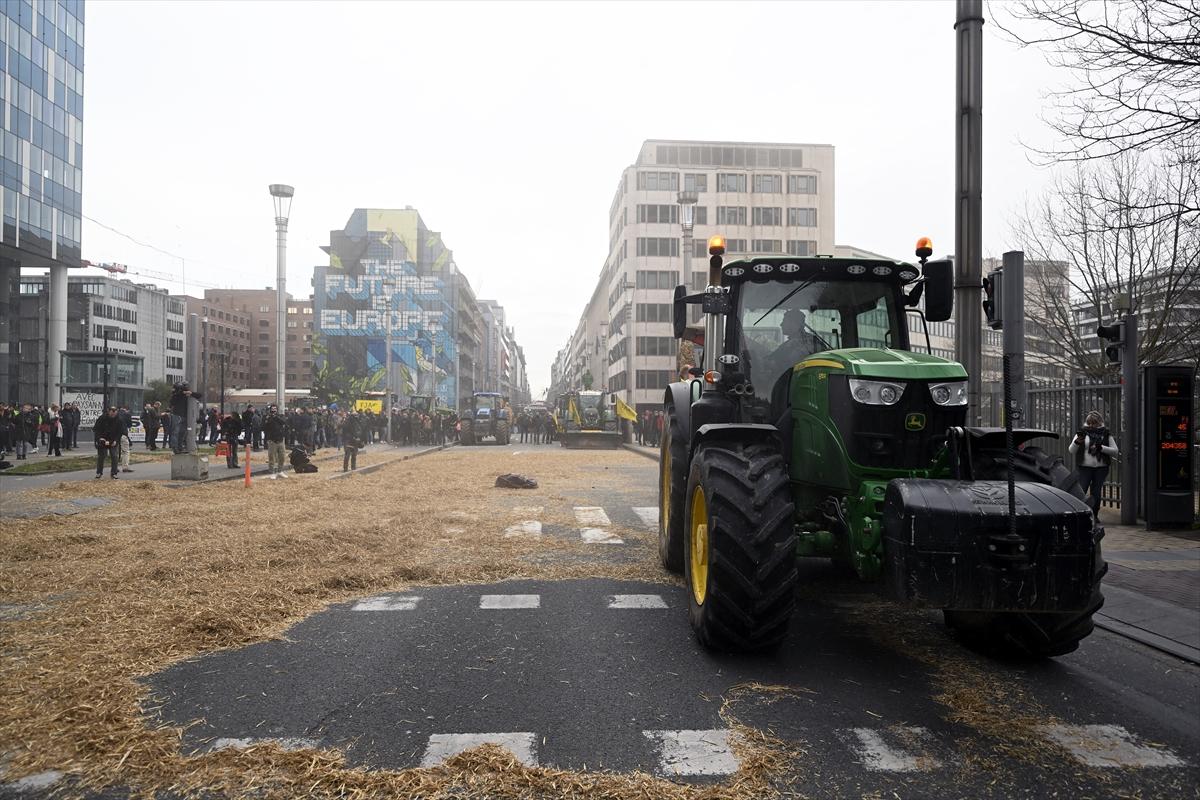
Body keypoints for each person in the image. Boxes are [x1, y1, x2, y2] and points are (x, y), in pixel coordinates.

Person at [1069, 411, 1119, 517]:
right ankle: (1081, 514)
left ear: (1099, 422)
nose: (1091, 425)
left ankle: (1094, 514)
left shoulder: (1105, 434)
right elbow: (1071, 450)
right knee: (1081, 490)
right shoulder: (1082, 433)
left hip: (1101, 468)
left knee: (1096, 492)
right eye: (1089, 423)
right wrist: (1077, 442)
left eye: (1094, 423)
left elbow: (1115, 451)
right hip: (1084, 468)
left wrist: (1101, 448)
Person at [761, 307, 825, 385]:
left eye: (784, 321)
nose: (781, 324)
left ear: (793, 323)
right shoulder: (814, 341)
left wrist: (768, 363)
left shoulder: (793, 345)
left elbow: (785, 367)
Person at [169, 382, 201, 453]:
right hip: (178, 415)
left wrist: (191, 393)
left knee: (182, 432)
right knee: (176, 432)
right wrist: (181, 393)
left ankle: (180, 447)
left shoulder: (187, 394)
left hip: (184, 415)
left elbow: (199, 395)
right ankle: (175, 447)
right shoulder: (177, 395)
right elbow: (172, 402)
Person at [93, 406, 122, 479]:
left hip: (113, 439)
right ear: (108, 411)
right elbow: (96, 429)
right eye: (112, 412)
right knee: (101, 456)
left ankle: (114, 473)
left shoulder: (118, 420)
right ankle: (99, 472)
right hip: (103, 439)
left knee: (114, 456)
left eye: (115, 412)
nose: (113, 414)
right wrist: (99, 438)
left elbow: (119, 432)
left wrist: (116, 440)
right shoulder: (102, 418)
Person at [263, 404, 287, 475]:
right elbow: (264, 427)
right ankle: (272, 472)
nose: (273, 410)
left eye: (275, 408)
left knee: (282, 457)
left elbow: (283, 422)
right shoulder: (267, 417)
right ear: (270, 409)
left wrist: (275, 417)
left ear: (277, 409)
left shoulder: (280, 416)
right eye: (272, 409)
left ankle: (280, 471)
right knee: (271, 458)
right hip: (272, 440)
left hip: (280, 439)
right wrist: (269, 418)